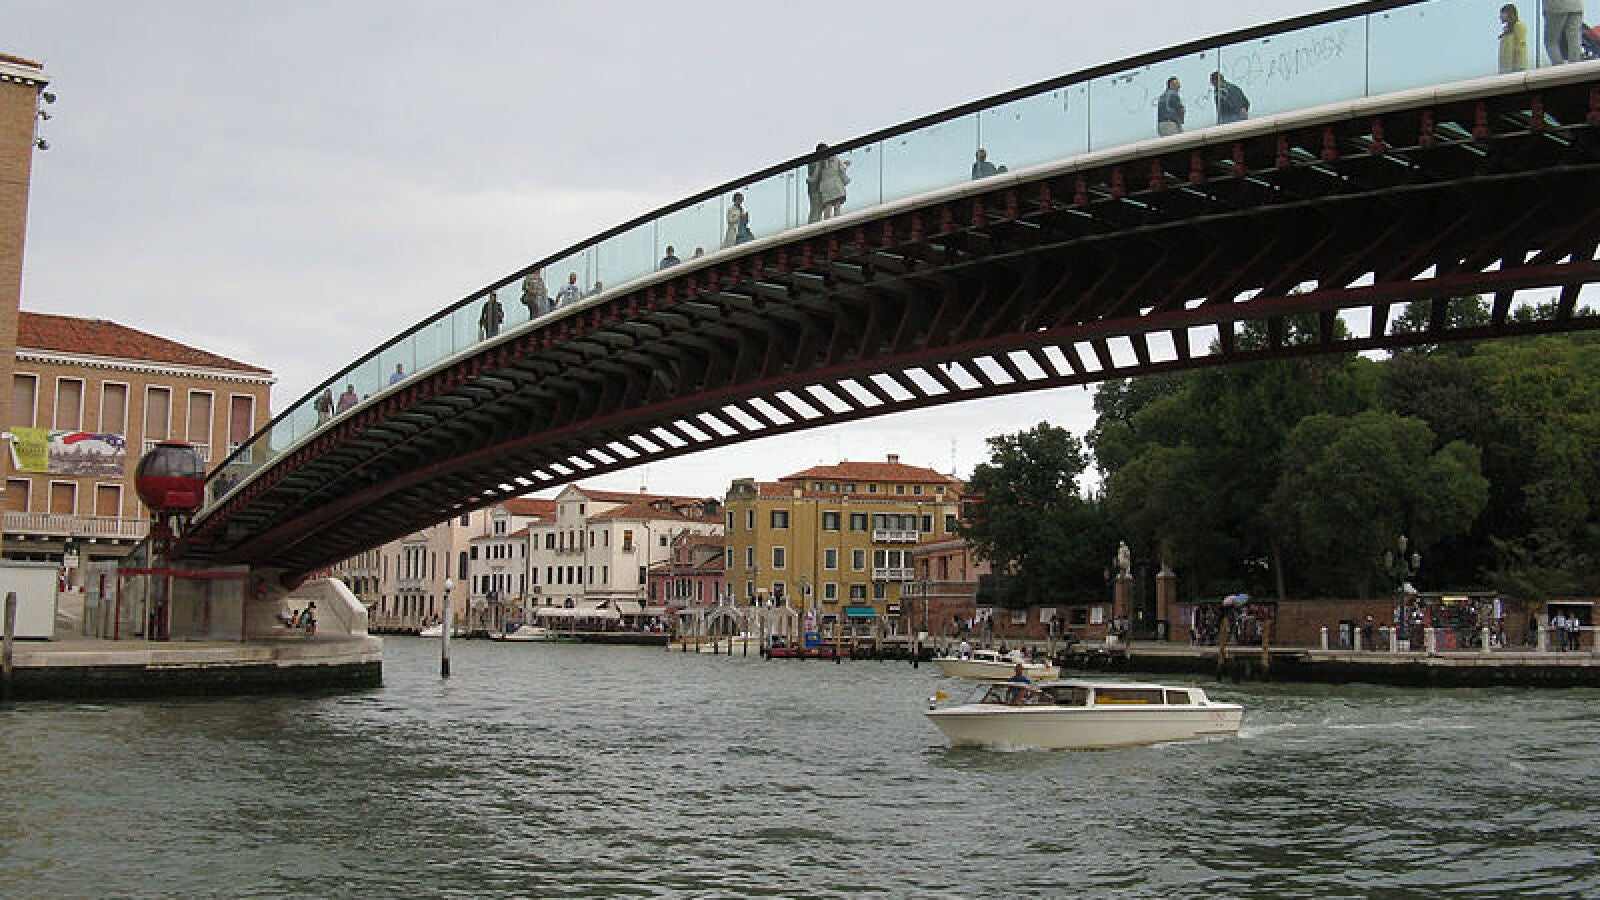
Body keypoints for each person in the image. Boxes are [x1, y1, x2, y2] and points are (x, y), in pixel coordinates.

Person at [1543, 0, 1584, 64]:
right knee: (1574, 41)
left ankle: (1560, 67)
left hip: (1557, 6)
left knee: (1551, 41)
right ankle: (1576, 67)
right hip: (1576, 5)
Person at [815, 150, 850, 220]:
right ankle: (838, 223)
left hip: (826, 188)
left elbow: (816, 175)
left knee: (828, 209)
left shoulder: (820, 163)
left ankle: (827, 224)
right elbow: (841, 170)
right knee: (837, 208)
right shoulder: (835, 160)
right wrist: (845, 180)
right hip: (836, 186)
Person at [1499, 5, 1529, 72]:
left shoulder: (1519, 26)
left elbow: (1520, 45)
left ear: (1509, 14)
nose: (1500, 16)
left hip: (1516, 66)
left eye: (1503, 13)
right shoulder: (1507, 29)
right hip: (1506, 66)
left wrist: (1517, 63)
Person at [806, 142, 828, 223]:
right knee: (816, 211)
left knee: (818, 210)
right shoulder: (815, 162)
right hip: (815, 190)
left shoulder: (819, 161)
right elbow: (815, 177)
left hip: (818, 190)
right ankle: (812, 226)